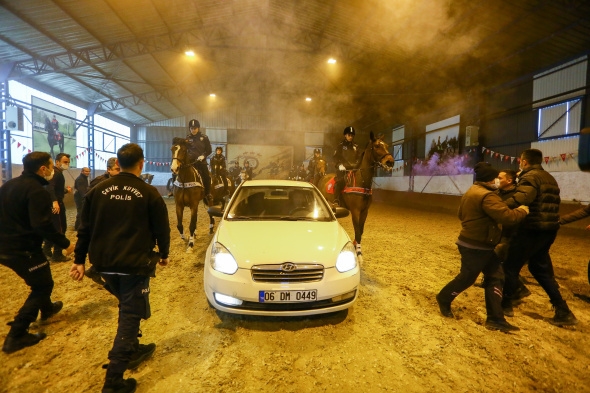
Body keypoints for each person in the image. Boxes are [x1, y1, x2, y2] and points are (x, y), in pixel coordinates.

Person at [71, 143, 170, 393]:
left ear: (118, 162)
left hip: (103, 264)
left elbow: (84, 228)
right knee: (130, 313)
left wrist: (79, 260)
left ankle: (134, 347)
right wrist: (164, 254)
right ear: (142, 163)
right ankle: (114, 380)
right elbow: (162, 228)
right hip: (133, 264)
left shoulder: (97, 190)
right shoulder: (149, 192)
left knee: (126, 304)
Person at [436, 162, 529, 332]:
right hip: (476, 245)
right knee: (467, 278)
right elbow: (507, 217)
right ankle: (444, 298)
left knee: (496, 277)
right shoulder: (488, 196)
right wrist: (522, 211)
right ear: (488, 180)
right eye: (496, 178)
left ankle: (495, 318)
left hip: (480, 243)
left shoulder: (471, 191)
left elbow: (460, 214)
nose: (497, 181)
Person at [0, 152, 74, 354]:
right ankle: (17, 333)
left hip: (5, 247)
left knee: (41, 276)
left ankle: (47, 308)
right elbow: (42, 225)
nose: (52, 169)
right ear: (43, 169)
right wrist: (65, 243)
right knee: (43, 285)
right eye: (51, 165)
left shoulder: (8, 185)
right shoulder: (37, 191)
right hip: (23, 249)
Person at [501, 148, 578, 326]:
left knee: (510, 266)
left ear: (524, 162)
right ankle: (563, 310)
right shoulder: (549, 177)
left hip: (532, 228)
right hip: (549, 229)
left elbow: (522, 198)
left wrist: (499, 207)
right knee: (539, 269)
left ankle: (505, 305)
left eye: (520, 160)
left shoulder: (529, 177)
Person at [43, 153, 72, 262]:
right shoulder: (55, 173)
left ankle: (46, 250)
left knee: (54, 228)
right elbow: (49, 187)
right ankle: (57, 254)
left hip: (55, 202)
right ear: (57, 162)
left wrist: (65, 190)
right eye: (65, 162)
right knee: (60, 228)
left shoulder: (58, 173)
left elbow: (55, 189)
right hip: (56, 205)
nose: (67, 164)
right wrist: (55, 202)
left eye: (68, 162)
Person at [185, 119, 213, 204]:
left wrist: (203, 156)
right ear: (190, 129)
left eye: (195, 128)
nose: (193, 130)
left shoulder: (204, 137)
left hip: (201, 162)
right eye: (192, 128)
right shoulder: (187, 138)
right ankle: (176, 190)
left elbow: (209, 150)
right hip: (190, 162)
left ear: (198, 128)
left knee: (206, 177)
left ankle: (208, 194)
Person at [333, 126, 362, 206]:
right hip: (343, 169)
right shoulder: (341, 145)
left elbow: (359, 158)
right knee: (340, 182)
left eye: (352, 135)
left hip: (354, 169)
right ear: (345, 135)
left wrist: (358, 165)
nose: (350, 137)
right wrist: (339, 165)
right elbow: (335, 157)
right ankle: (336, 200)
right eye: (349, 135)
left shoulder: (356, 146)